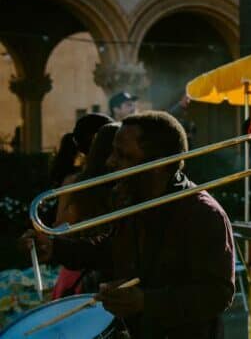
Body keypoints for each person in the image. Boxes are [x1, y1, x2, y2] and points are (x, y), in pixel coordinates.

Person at [19, 111, 235, 338]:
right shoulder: (134, 199)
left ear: (157, 163)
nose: (110, 161)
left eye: (123, 156)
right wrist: (54, 247)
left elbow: (218, 293)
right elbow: (110, 250)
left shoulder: (203, 213)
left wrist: (146, 301)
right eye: (113, 152)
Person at [51, 122, 120, 299]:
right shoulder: (127, 187)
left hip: (77, 272)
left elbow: (60, 228)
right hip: (103, 275)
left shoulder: (75, 183)